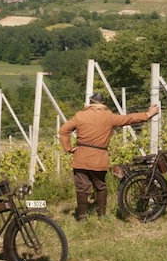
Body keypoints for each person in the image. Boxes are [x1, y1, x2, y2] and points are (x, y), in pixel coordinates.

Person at [58, 92, 159, 221]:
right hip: (99, 158)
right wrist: (147, 114)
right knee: (100, 186)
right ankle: (102, 216)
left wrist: (69, 148)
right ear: (104, 104)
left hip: (81, 156)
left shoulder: (80, 116)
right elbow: (128, 118)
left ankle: (82, 217)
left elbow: (63, 131)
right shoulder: (109, 116)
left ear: (91, 103)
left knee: (82, 187)